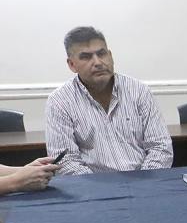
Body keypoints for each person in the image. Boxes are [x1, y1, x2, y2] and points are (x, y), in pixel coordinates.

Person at [45, 26, 173, 175]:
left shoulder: (138, 90)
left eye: (102, 54)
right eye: (86, 57)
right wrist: (100, 186)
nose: (98, 62)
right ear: (72, 64)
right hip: (92, 185)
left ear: (110, 55)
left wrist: (144, 182)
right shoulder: (59, 101)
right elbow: (65, 161)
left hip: (144, 180)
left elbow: (160, 147)